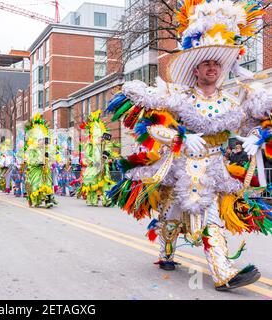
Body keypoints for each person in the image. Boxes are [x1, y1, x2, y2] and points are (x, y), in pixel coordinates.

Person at [105, 0, 271, 291]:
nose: (211, 67)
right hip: (182, 165)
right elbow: (151, 125)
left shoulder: (233, 101)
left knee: (211, 215)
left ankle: (223, 273)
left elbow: (253, 121)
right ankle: (167, 252)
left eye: (216, 63)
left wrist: (256, 138)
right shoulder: (179, 96)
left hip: (215, 167)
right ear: (195, 69)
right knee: (170, 213)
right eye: (206, 63)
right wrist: (182, 137)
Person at [80, 110, 115, 207]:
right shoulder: (91, 145)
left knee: (105, 183)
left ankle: (106, 200)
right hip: (93, 167)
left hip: (103, 167)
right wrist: (93, 162)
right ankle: (92, 199)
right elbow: (87, 155)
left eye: (101, 137)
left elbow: (109, 150)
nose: (100, 139)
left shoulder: (104, 144)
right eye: (98, 137)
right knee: (93, 184)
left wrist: (106, 156)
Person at [24, 114, 57, 208]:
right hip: (36, 170)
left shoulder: (47, 148)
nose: (42, 142)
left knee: (47, 184)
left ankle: (48, 200)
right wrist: (38, 162)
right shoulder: (32, 148)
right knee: (37, 185)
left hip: (45, 170)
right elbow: (29, 159)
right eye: (40, 140)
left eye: (43, 140)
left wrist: (49, 162)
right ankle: (36, 200)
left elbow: (52, 157)